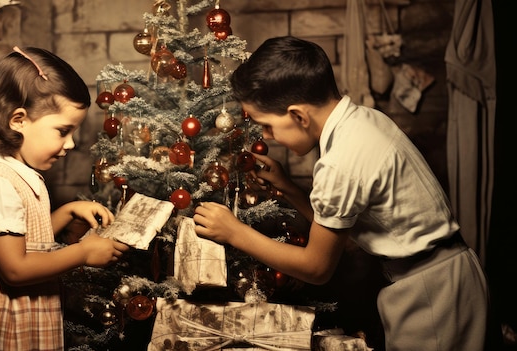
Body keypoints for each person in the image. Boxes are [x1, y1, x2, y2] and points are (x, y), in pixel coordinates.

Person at [193, 36, 493, 350]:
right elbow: (340, 228)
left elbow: (317, 267)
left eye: (267, 125)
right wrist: (291, 190)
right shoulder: (362, 120)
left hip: (433, 292)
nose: (268, 137)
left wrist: (234, 232)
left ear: (298, 116)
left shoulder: (340, 161)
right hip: (443, 275)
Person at [0, 46, 130, 351]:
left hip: (24, 308)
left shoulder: (17, 170)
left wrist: (66, 213)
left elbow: (20, 239)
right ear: (18, 120)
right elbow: (15, 268)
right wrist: (83, 253)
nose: (71, 143)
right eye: (62, 131)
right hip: (1, 312)